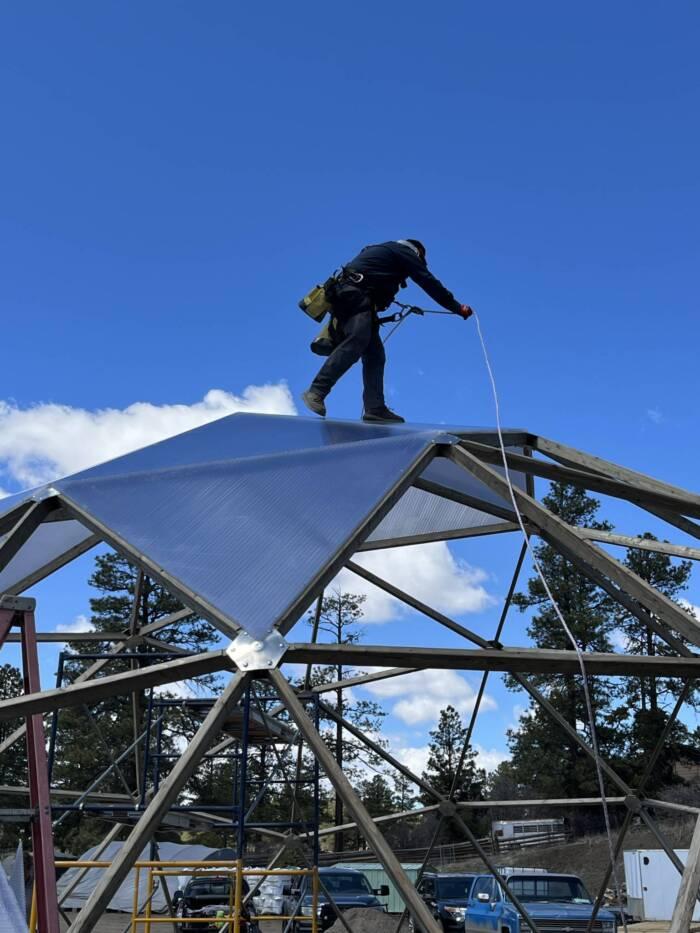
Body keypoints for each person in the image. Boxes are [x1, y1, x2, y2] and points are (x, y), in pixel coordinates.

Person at [301, 239, 473, 423]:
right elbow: (427, 281)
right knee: (357, 341)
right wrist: (456, 307)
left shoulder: (382, 250)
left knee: (375, 355)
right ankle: (317, 391)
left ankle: (375, 409)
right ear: (417, 252)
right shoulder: (404, 251)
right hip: (356, 297)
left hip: (355, 298)